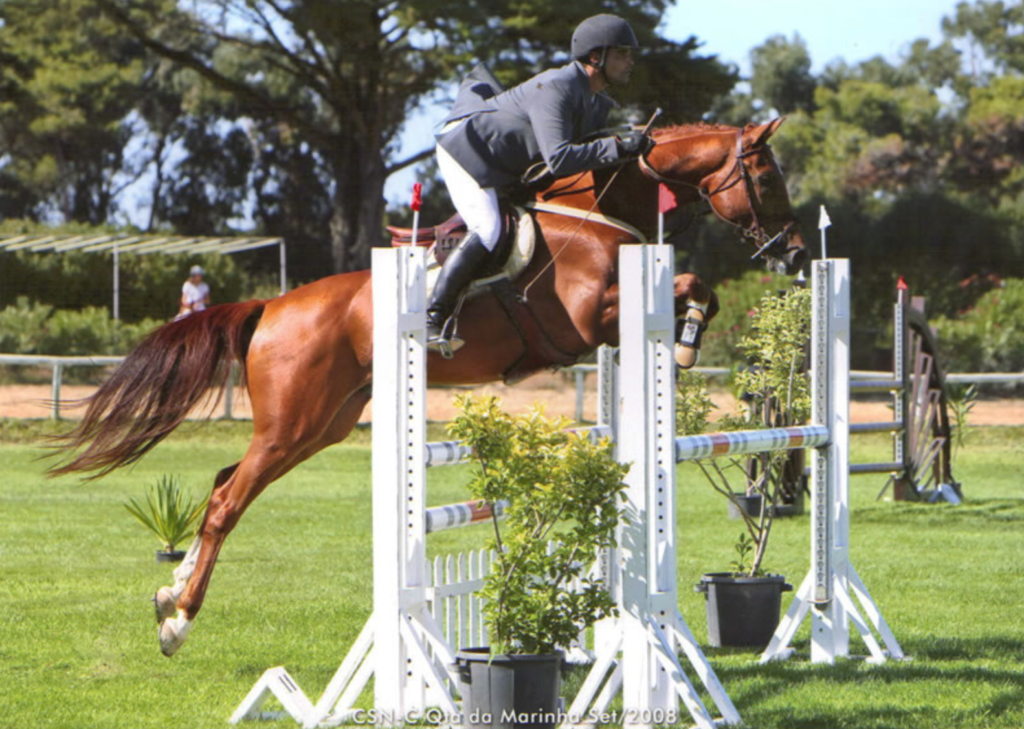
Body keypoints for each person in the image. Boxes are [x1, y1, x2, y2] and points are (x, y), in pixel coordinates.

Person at [428, 13, 655, 353]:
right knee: (489, 228)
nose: (630, 61)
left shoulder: (595, 101)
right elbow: (561, 158)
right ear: (596, 57)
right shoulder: (557, 87)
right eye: (622, 53)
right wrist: (619, 147)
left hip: (505, 164)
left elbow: (588, 156)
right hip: (467, 152)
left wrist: (623, 147)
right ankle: (433, 316)